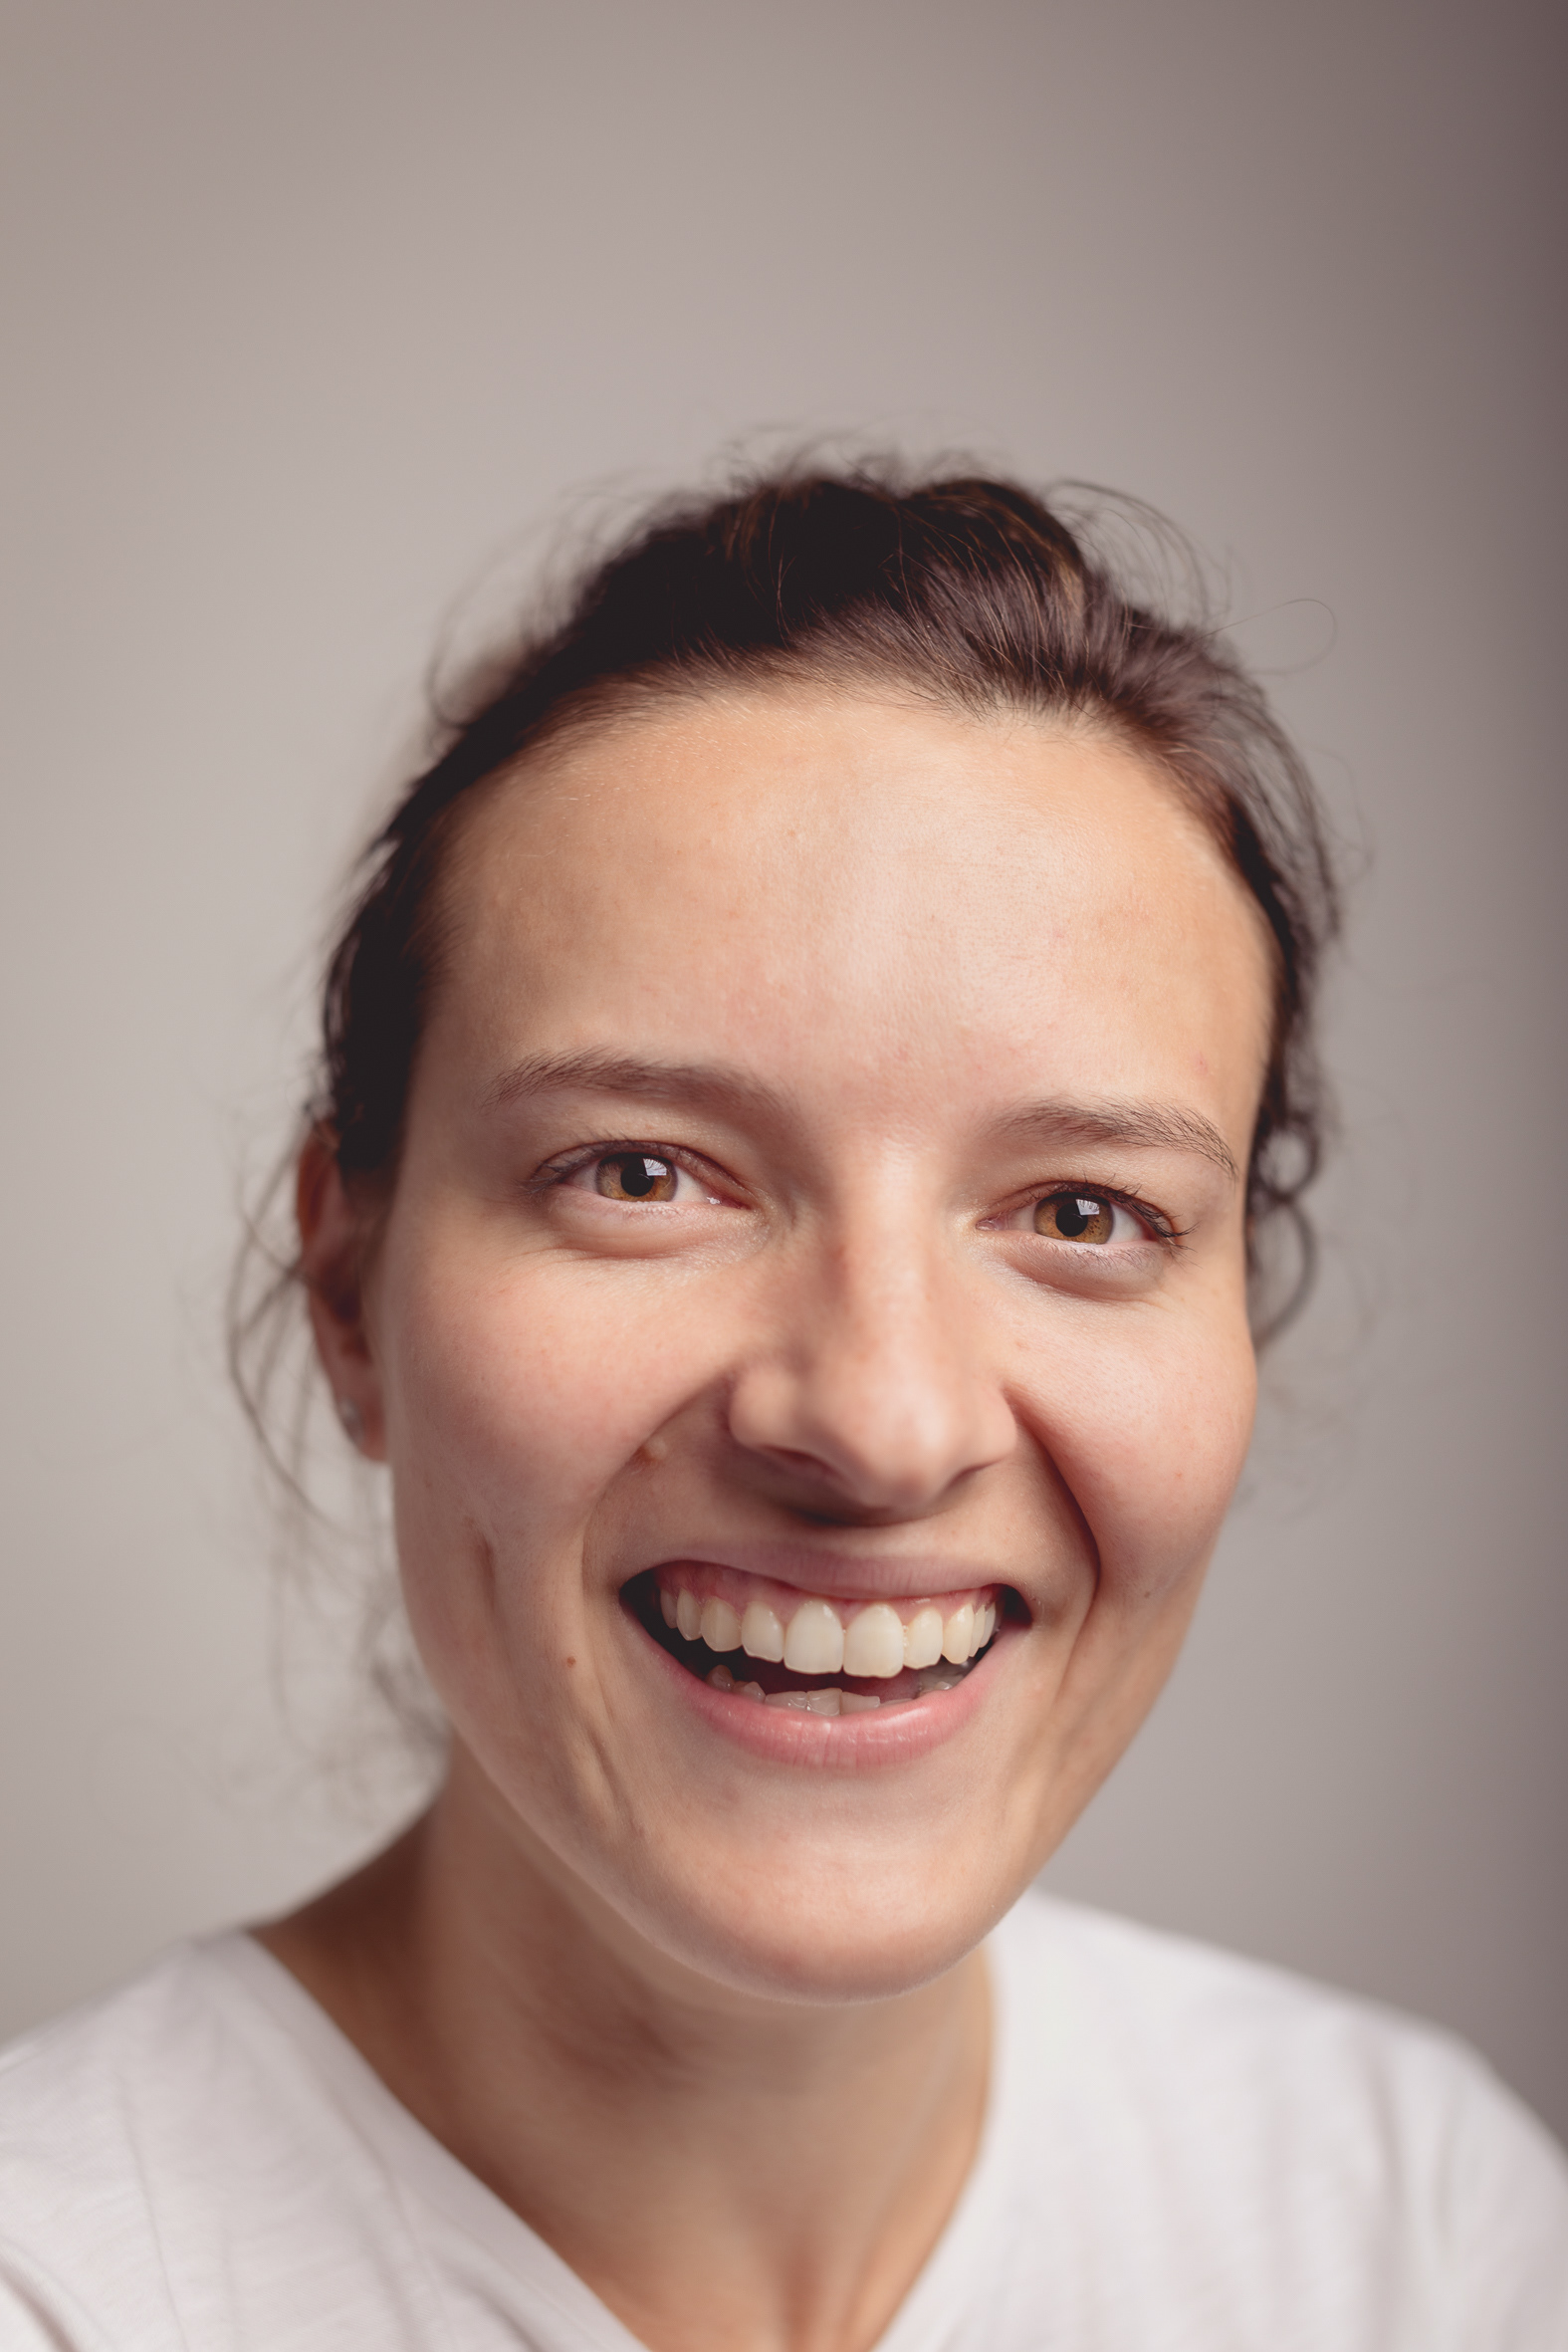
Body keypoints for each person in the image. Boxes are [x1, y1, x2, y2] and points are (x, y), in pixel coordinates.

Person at [1, 465, 1564, 2352]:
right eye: (643, 1173)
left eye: (1083, 1213)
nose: (884, 1423)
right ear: (349, 1286)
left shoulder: (1420, 2239)